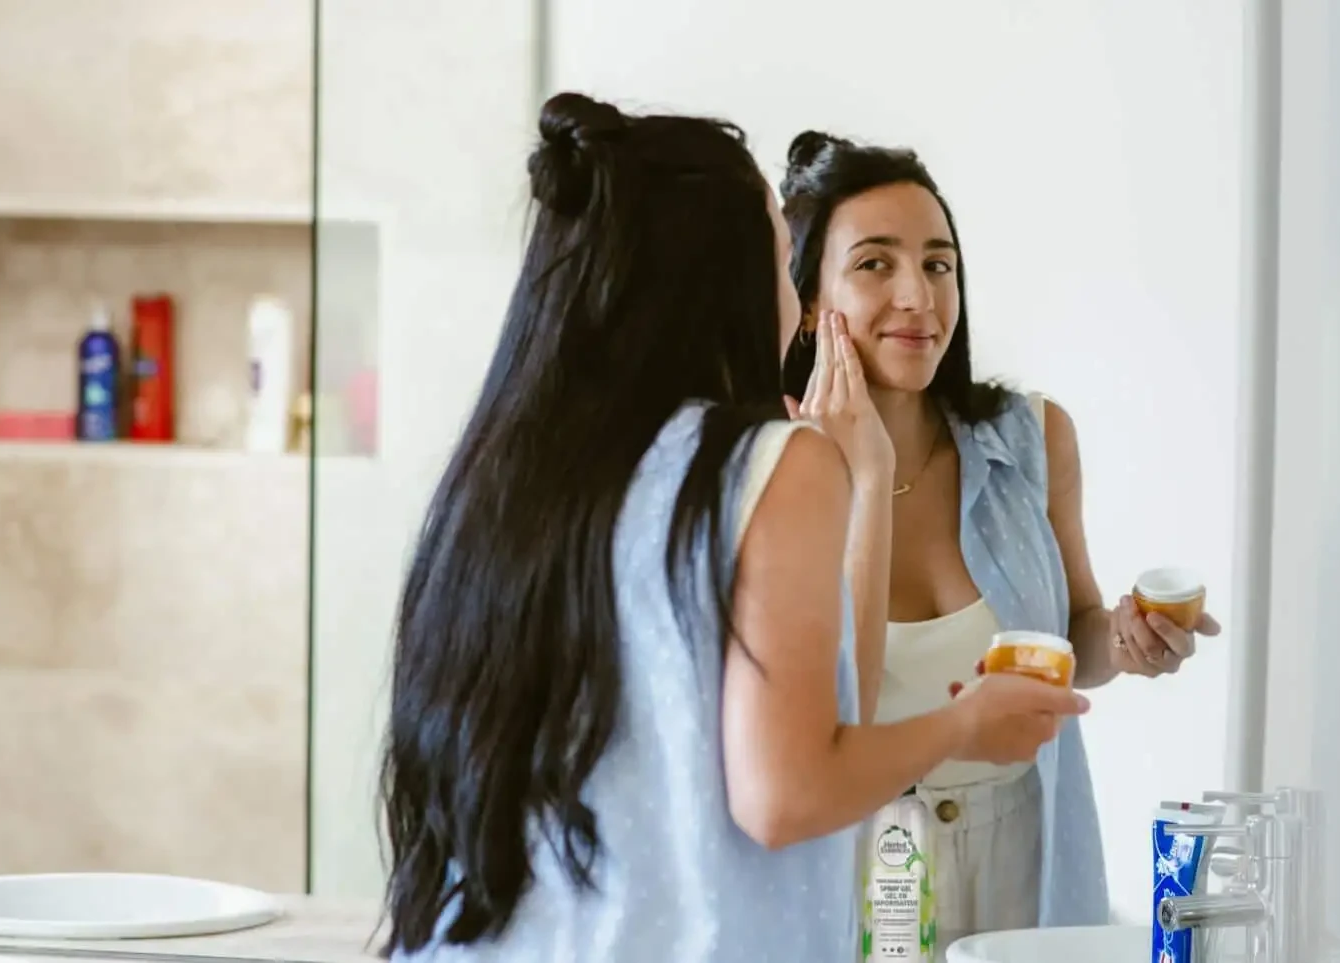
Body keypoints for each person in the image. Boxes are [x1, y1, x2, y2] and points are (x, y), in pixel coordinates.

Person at [376, 93, 1091, 962]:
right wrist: (967, 723)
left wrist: (860, 473)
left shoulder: (505, 474)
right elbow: (787, 791)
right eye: (784, 248)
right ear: (720, 273)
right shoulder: (764, 464)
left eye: (939, 264)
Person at [778, 131, 1223, 950]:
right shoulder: (771, 466)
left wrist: (1124, 639)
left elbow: (1073, 636)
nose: (918, 294)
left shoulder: (1030, 439)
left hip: (1025, 848)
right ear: (810, 300)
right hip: (854, 870)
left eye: (939, 263)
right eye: (875, 263)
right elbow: (813, 707)